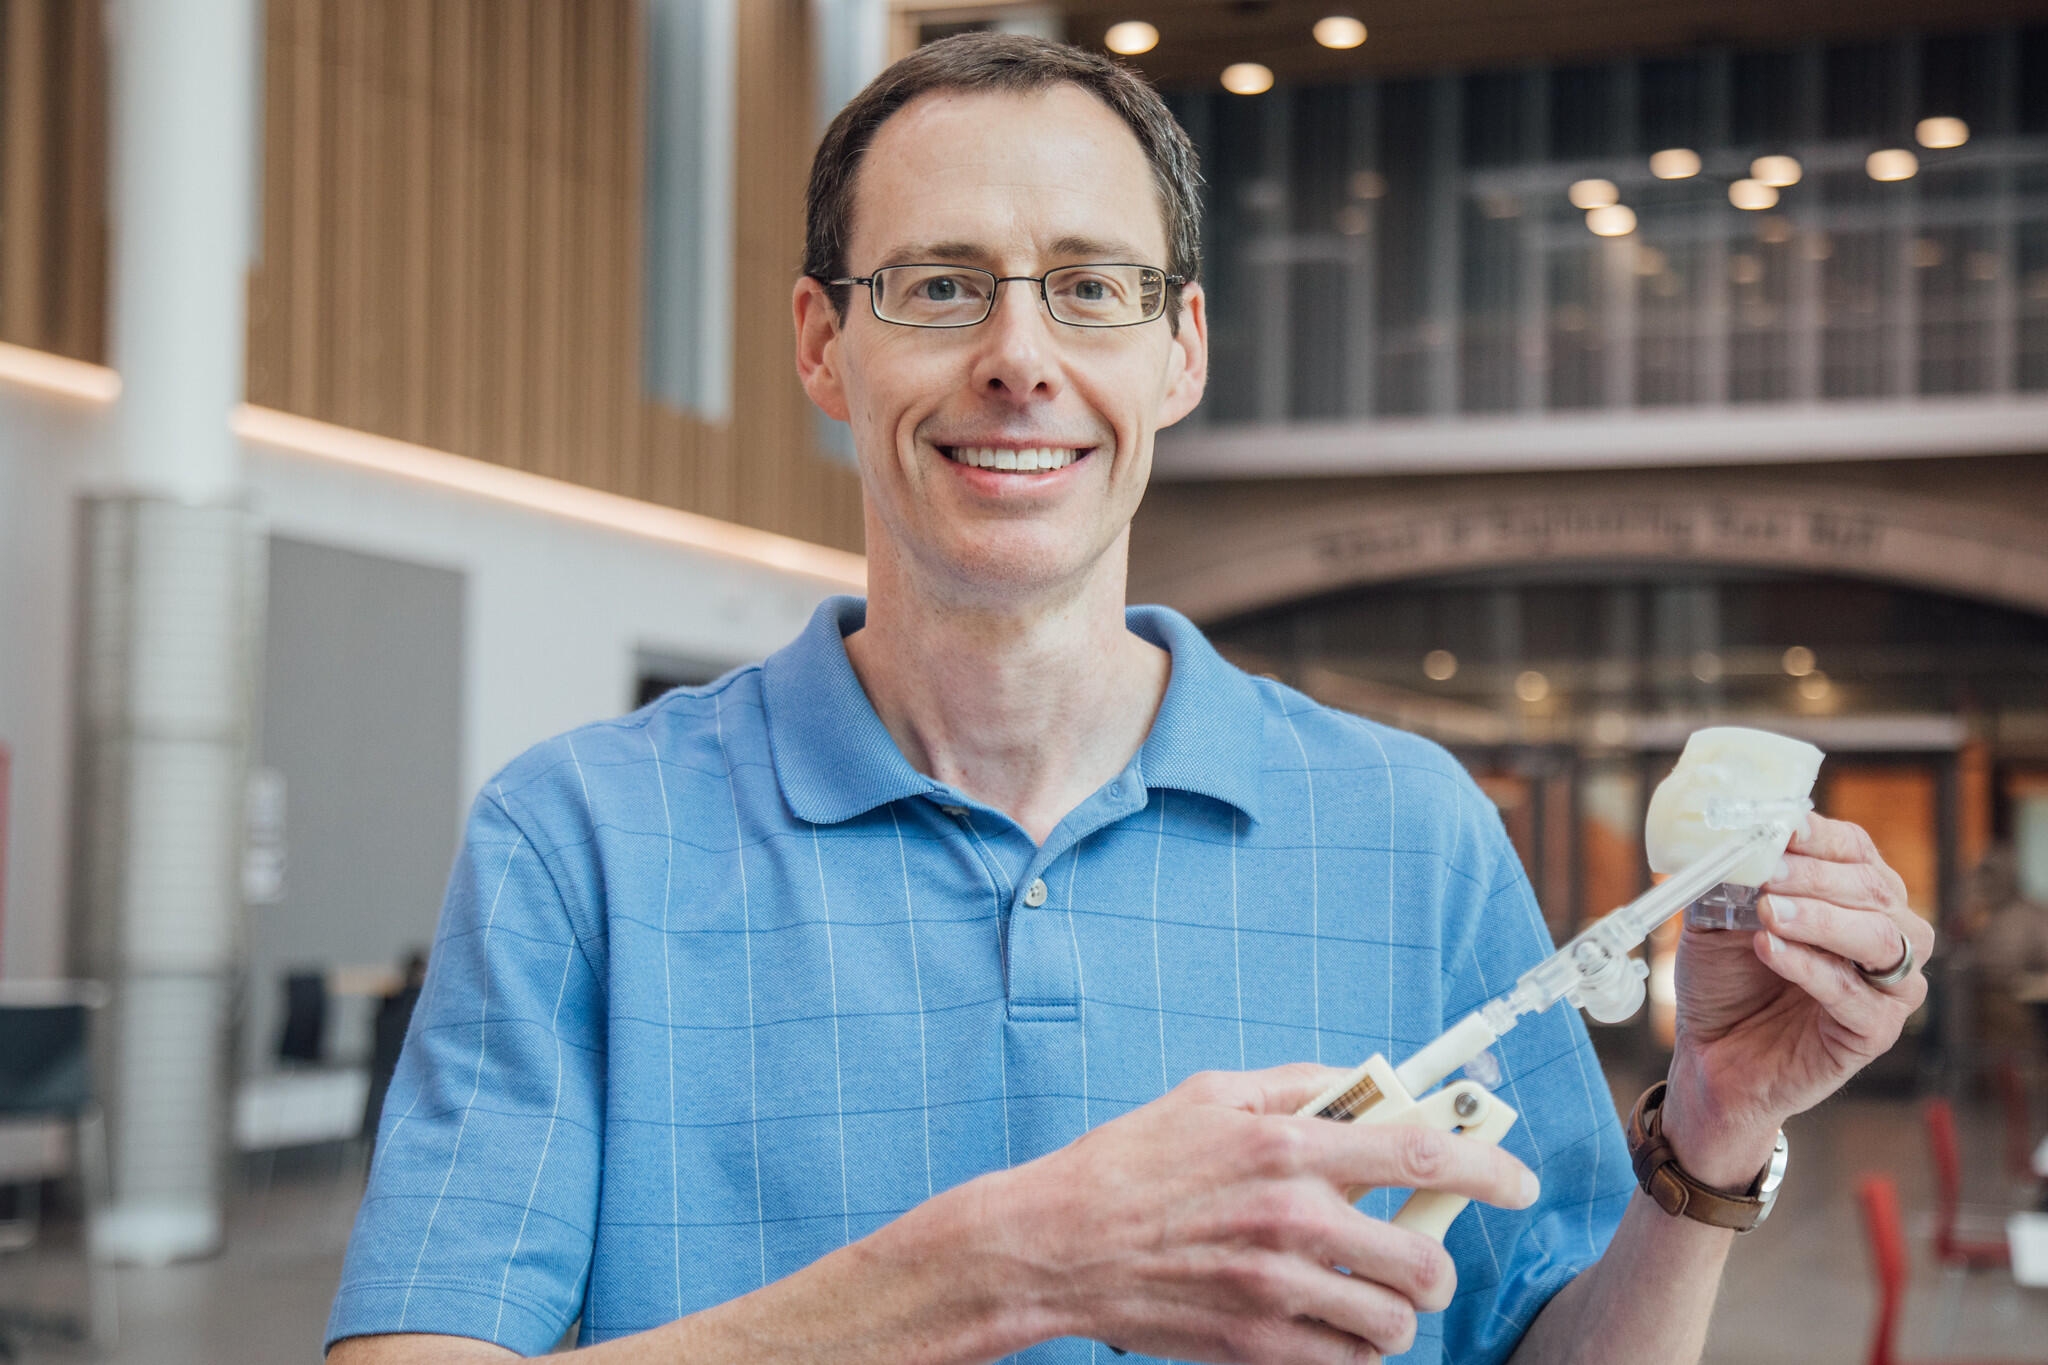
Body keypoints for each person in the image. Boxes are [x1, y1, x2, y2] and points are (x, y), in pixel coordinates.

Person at [325, 33, 1932, 1365]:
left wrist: (1710, 1135)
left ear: (1180, 351)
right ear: (823, 346)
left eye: (1092, 287)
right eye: (940, 287)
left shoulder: (1410, 827)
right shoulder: (579, 840)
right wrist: (1006, 1269)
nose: (1020, 356)